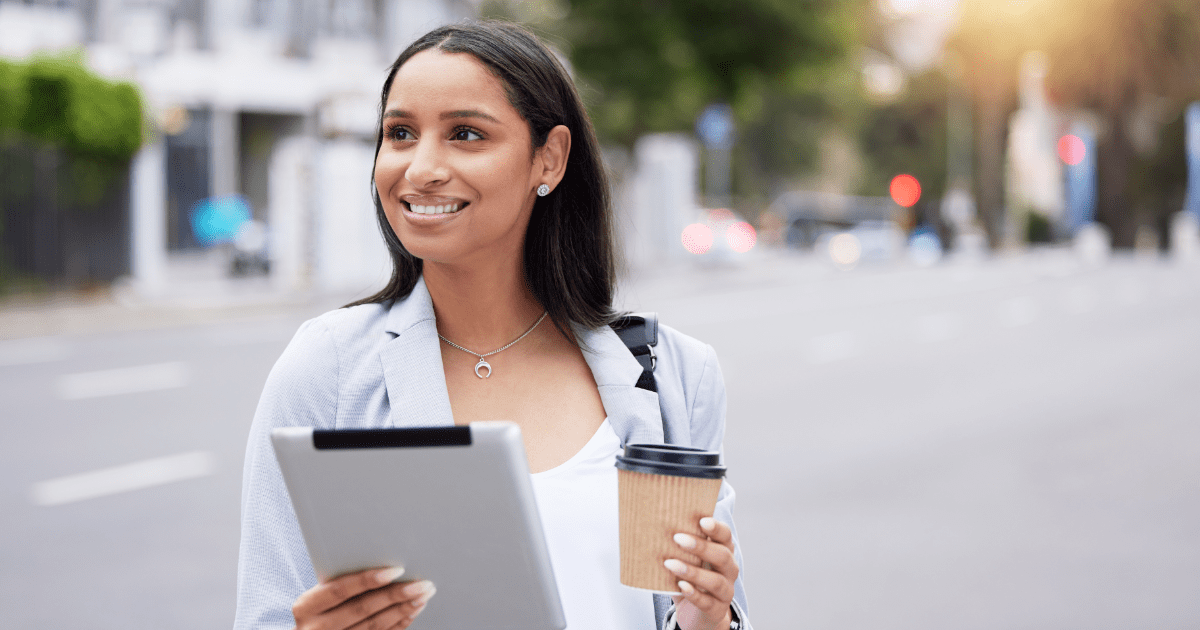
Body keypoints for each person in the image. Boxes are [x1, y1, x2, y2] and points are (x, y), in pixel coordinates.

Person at [234, 20, 750, 630]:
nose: (420, 167)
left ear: (549, 158)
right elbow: (265, 613)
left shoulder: (671, 375)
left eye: (466, 134)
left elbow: (698, 614)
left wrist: (712, 616)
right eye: (400, 133)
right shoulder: (329, 368)